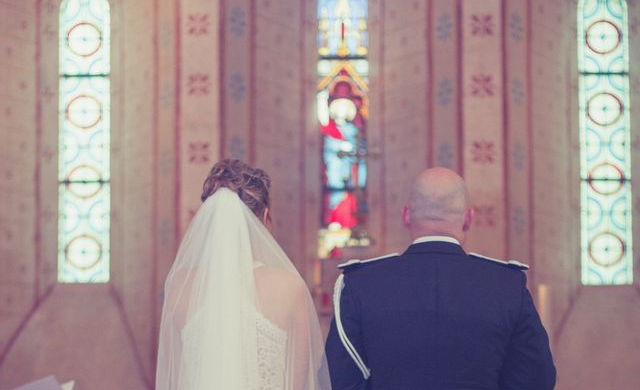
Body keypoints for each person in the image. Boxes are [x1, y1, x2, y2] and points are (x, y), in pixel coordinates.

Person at [325, 167, 556, 389]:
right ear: (468, 218)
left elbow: (339, 380)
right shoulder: (506, 285)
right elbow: (536, 380)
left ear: (406, 216)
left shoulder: (361, 284)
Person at [155, 159, 331, 390]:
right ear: (265, 218)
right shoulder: (290, 288)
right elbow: (300, 383)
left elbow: (176, 378)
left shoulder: (179, 285)